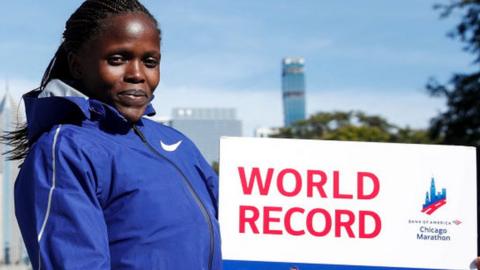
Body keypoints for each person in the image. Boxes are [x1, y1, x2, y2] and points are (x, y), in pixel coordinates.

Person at [8, 1, 222, 269]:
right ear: (77, 66)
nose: (136, 74)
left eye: (150, 62)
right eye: (118, 59)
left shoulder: (181, 147)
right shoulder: (65, 150)